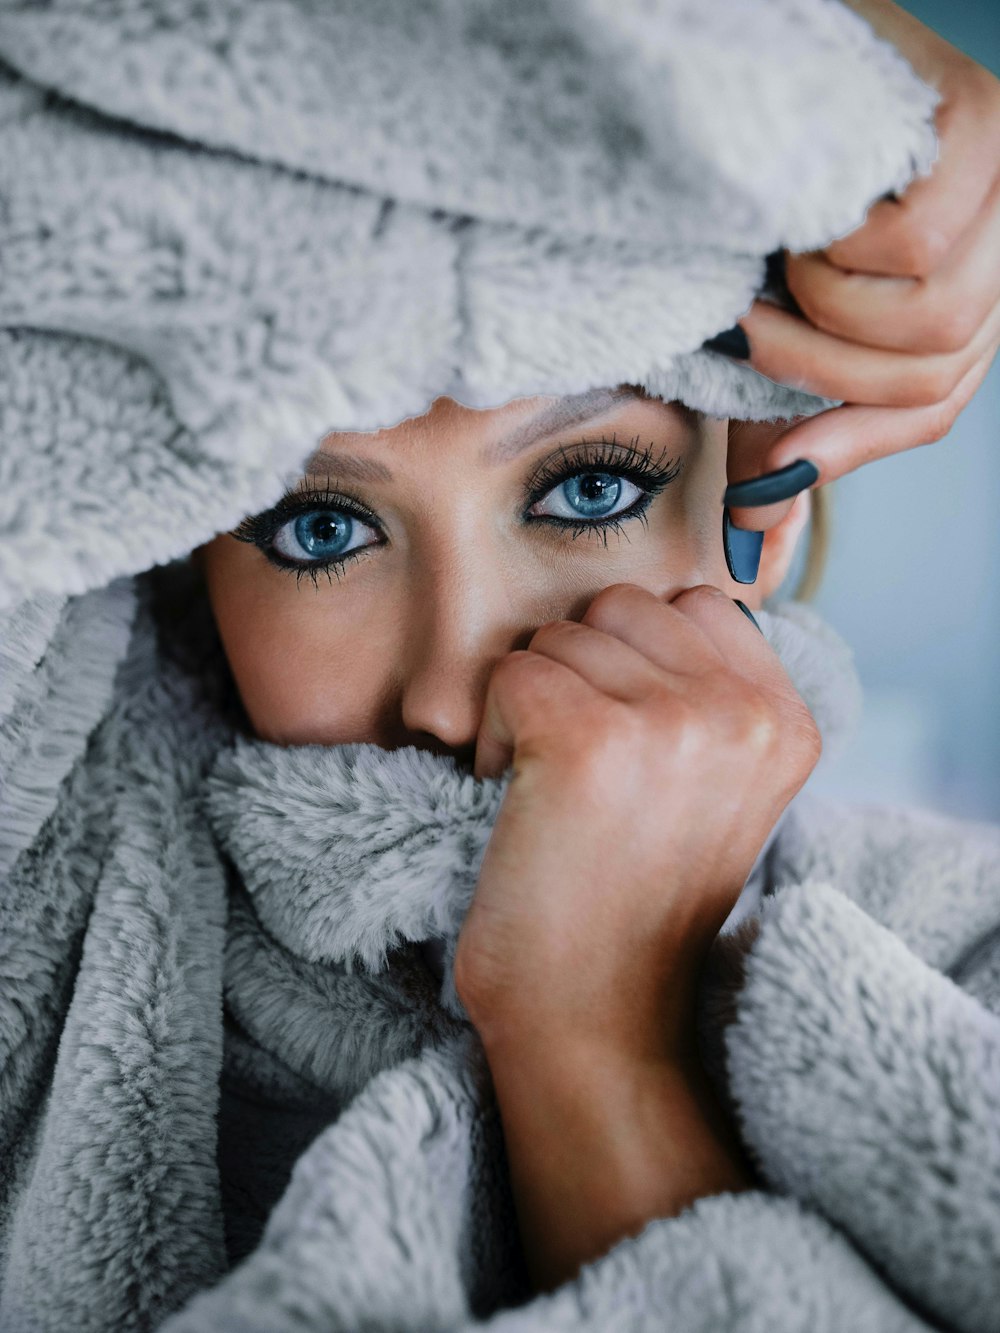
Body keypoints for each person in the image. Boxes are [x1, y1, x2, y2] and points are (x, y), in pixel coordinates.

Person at [1, 2, 998, 1332]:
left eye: (587, 486)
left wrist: (595, 1027)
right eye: (321, 528)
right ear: (182, 558)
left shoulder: (967, 958)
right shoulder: (47, 927)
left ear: (759, 506)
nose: (459, 692)